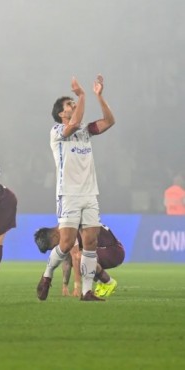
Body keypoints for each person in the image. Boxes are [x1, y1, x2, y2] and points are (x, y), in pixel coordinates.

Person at [36, 74, 115, 302]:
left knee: (90, 242)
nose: (73, 105)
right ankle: (47, 274)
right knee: (67, 243)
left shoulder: (85, 131)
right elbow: (74, 124)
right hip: (68, 194)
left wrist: (99, 96)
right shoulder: (57, 132)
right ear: (62, 114)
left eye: (74, 102)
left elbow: (109, 121)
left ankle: (86, 291)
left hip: (90, 194)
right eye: (69, 104)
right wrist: (82, 95)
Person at [34, 224, 124, 298]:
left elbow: (76, 257)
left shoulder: (68, 231)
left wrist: (77, 287)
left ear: (54, 236)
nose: (55, 248)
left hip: (114, 251)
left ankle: (109, 283)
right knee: (75, 257)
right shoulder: (64, 229)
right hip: (105, 250)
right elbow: (67, 260)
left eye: (54, 246)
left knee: (80, 257)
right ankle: (101, 283)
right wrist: (65, 285)